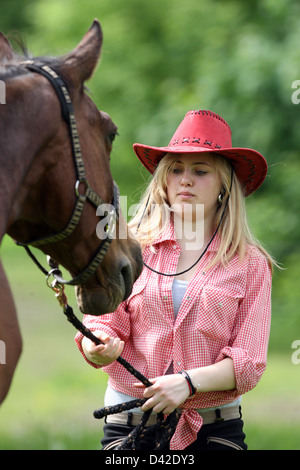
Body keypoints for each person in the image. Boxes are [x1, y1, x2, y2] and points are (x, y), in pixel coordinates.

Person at [75, 110, 274, 450]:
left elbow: (249, 362)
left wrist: (188, 383)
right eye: (176, 169)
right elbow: (103, 321)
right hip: (129, 425)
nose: (185, 179)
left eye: (200, 171)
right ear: (164, 181)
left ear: (224, 186)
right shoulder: (130, 246)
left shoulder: (250, 264)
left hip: (213, 432)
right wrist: (98, 346)